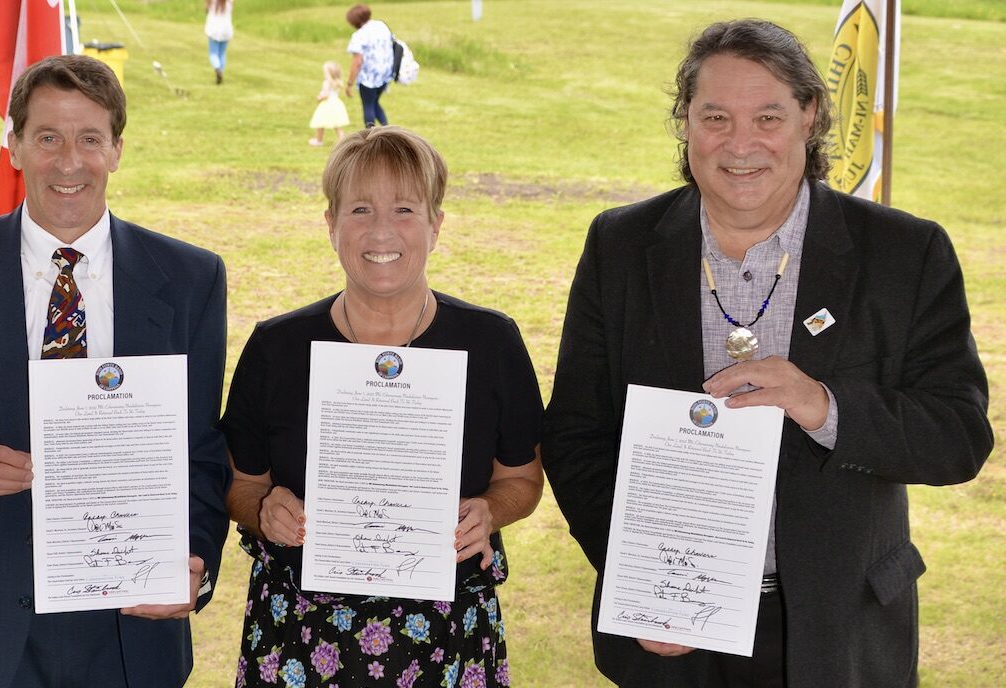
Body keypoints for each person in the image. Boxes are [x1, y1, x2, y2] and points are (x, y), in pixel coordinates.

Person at [542, 18, 992, 688]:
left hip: (841, 635)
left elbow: (957, 436)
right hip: (673, 637)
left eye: (769, 116)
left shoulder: (905, 254)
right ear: (685, 123)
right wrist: (644, 578)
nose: (741, 143)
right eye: (715, 116)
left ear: (810, 116)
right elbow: (578, 436)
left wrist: (824, 406)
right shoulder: (621, 246)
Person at [0, 55, 231, 688]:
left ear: (116, 149)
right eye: (48, 138)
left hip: (129, 628)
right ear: (14, 146)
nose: (69, 162)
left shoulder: (191, 279)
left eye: (90, 139)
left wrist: (194, 562)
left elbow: (200, 452)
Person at [222, 126, 543, 687]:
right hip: (299, 634)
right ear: (331, 224)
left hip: (446, 634)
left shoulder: (491, 343)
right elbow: (240, 484)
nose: (381, 231)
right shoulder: (276, 347)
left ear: (435, 224)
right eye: (360, 209)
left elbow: (521, 479)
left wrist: (490, 512)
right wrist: (263, 510)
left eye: (404, 209)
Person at [344, 3, 394, 128]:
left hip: (368, 78)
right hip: (385, 74)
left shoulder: (359, 35)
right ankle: (388, 129)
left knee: (368, 105)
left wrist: (349, 83)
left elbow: (357, 62)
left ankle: (370, 135)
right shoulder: (381, 26)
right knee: (375, 102)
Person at [308, 60, 350, 147]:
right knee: (337, 125)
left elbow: (326, 95)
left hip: (327, 104)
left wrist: (320, 97)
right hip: (336, 103)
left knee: (320, 123)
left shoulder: (326, 83)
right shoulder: (337, 83)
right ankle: (342, 139)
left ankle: (319, 140)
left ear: (329, 73)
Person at [205, 0, 233, 84]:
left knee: (213, 53)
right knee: (222, 53)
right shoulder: (229, 2)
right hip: (226, 29)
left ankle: (217, 68)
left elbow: (207, 10)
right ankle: (221, 71)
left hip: (214, 29)